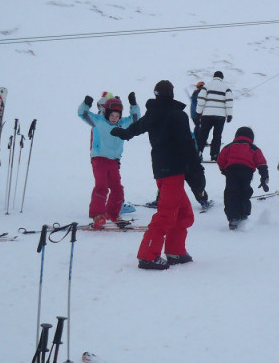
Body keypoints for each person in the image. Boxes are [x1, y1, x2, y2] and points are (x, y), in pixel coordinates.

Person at [111, 80, 202, 270]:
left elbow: (136, 128)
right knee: (167, 215)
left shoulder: (154, 113)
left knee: (184, 213)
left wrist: (124, 133)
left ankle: (175, 251)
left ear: (156, 94)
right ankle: (148, 256)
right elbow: (187, 145)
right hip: (173, 171)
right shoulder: (176, 115)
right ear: (172, 94)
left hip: (164, 170)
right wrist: (197, 173)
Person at [78, 92, 141, 229]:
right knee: (101, 186)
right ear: (106, 113)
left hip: (113, 161)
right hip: (99, 159)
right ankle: (97, 215)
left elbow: (136, 118)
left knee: (117, 188)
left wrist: (133, 104)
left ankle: (113, 213)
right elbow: (82, 114)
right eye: (112, 115)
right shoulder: (98, 121)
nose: (114, 118)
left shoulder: (123, 124)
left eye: (117, 116)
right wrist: (86, 104)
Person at [216, 126, 269, 229]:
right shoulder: (254, 148)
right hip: (247, 172)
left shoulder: (228, 147)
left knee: (231, 193)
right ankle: (244, 214)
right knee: (245, 191)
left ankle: (232, 217)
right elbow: (261, 163)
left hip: (232, 171)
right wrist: (264, 176)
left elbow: (220, 160)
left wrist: (224, 170)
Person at [195, 70, 233, 161]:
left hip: (207, 115)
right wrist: (229, 114)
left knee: (203, 134)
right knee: (217, 135)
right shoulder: (226, 87)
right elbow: (229, 102)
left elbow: (201, 99)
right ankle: (215, 155)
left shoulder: (207, 86)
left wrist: (198, 112)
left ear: (214, 76)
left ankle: (199, 152)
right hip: (220, 116)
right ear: (222, 78)